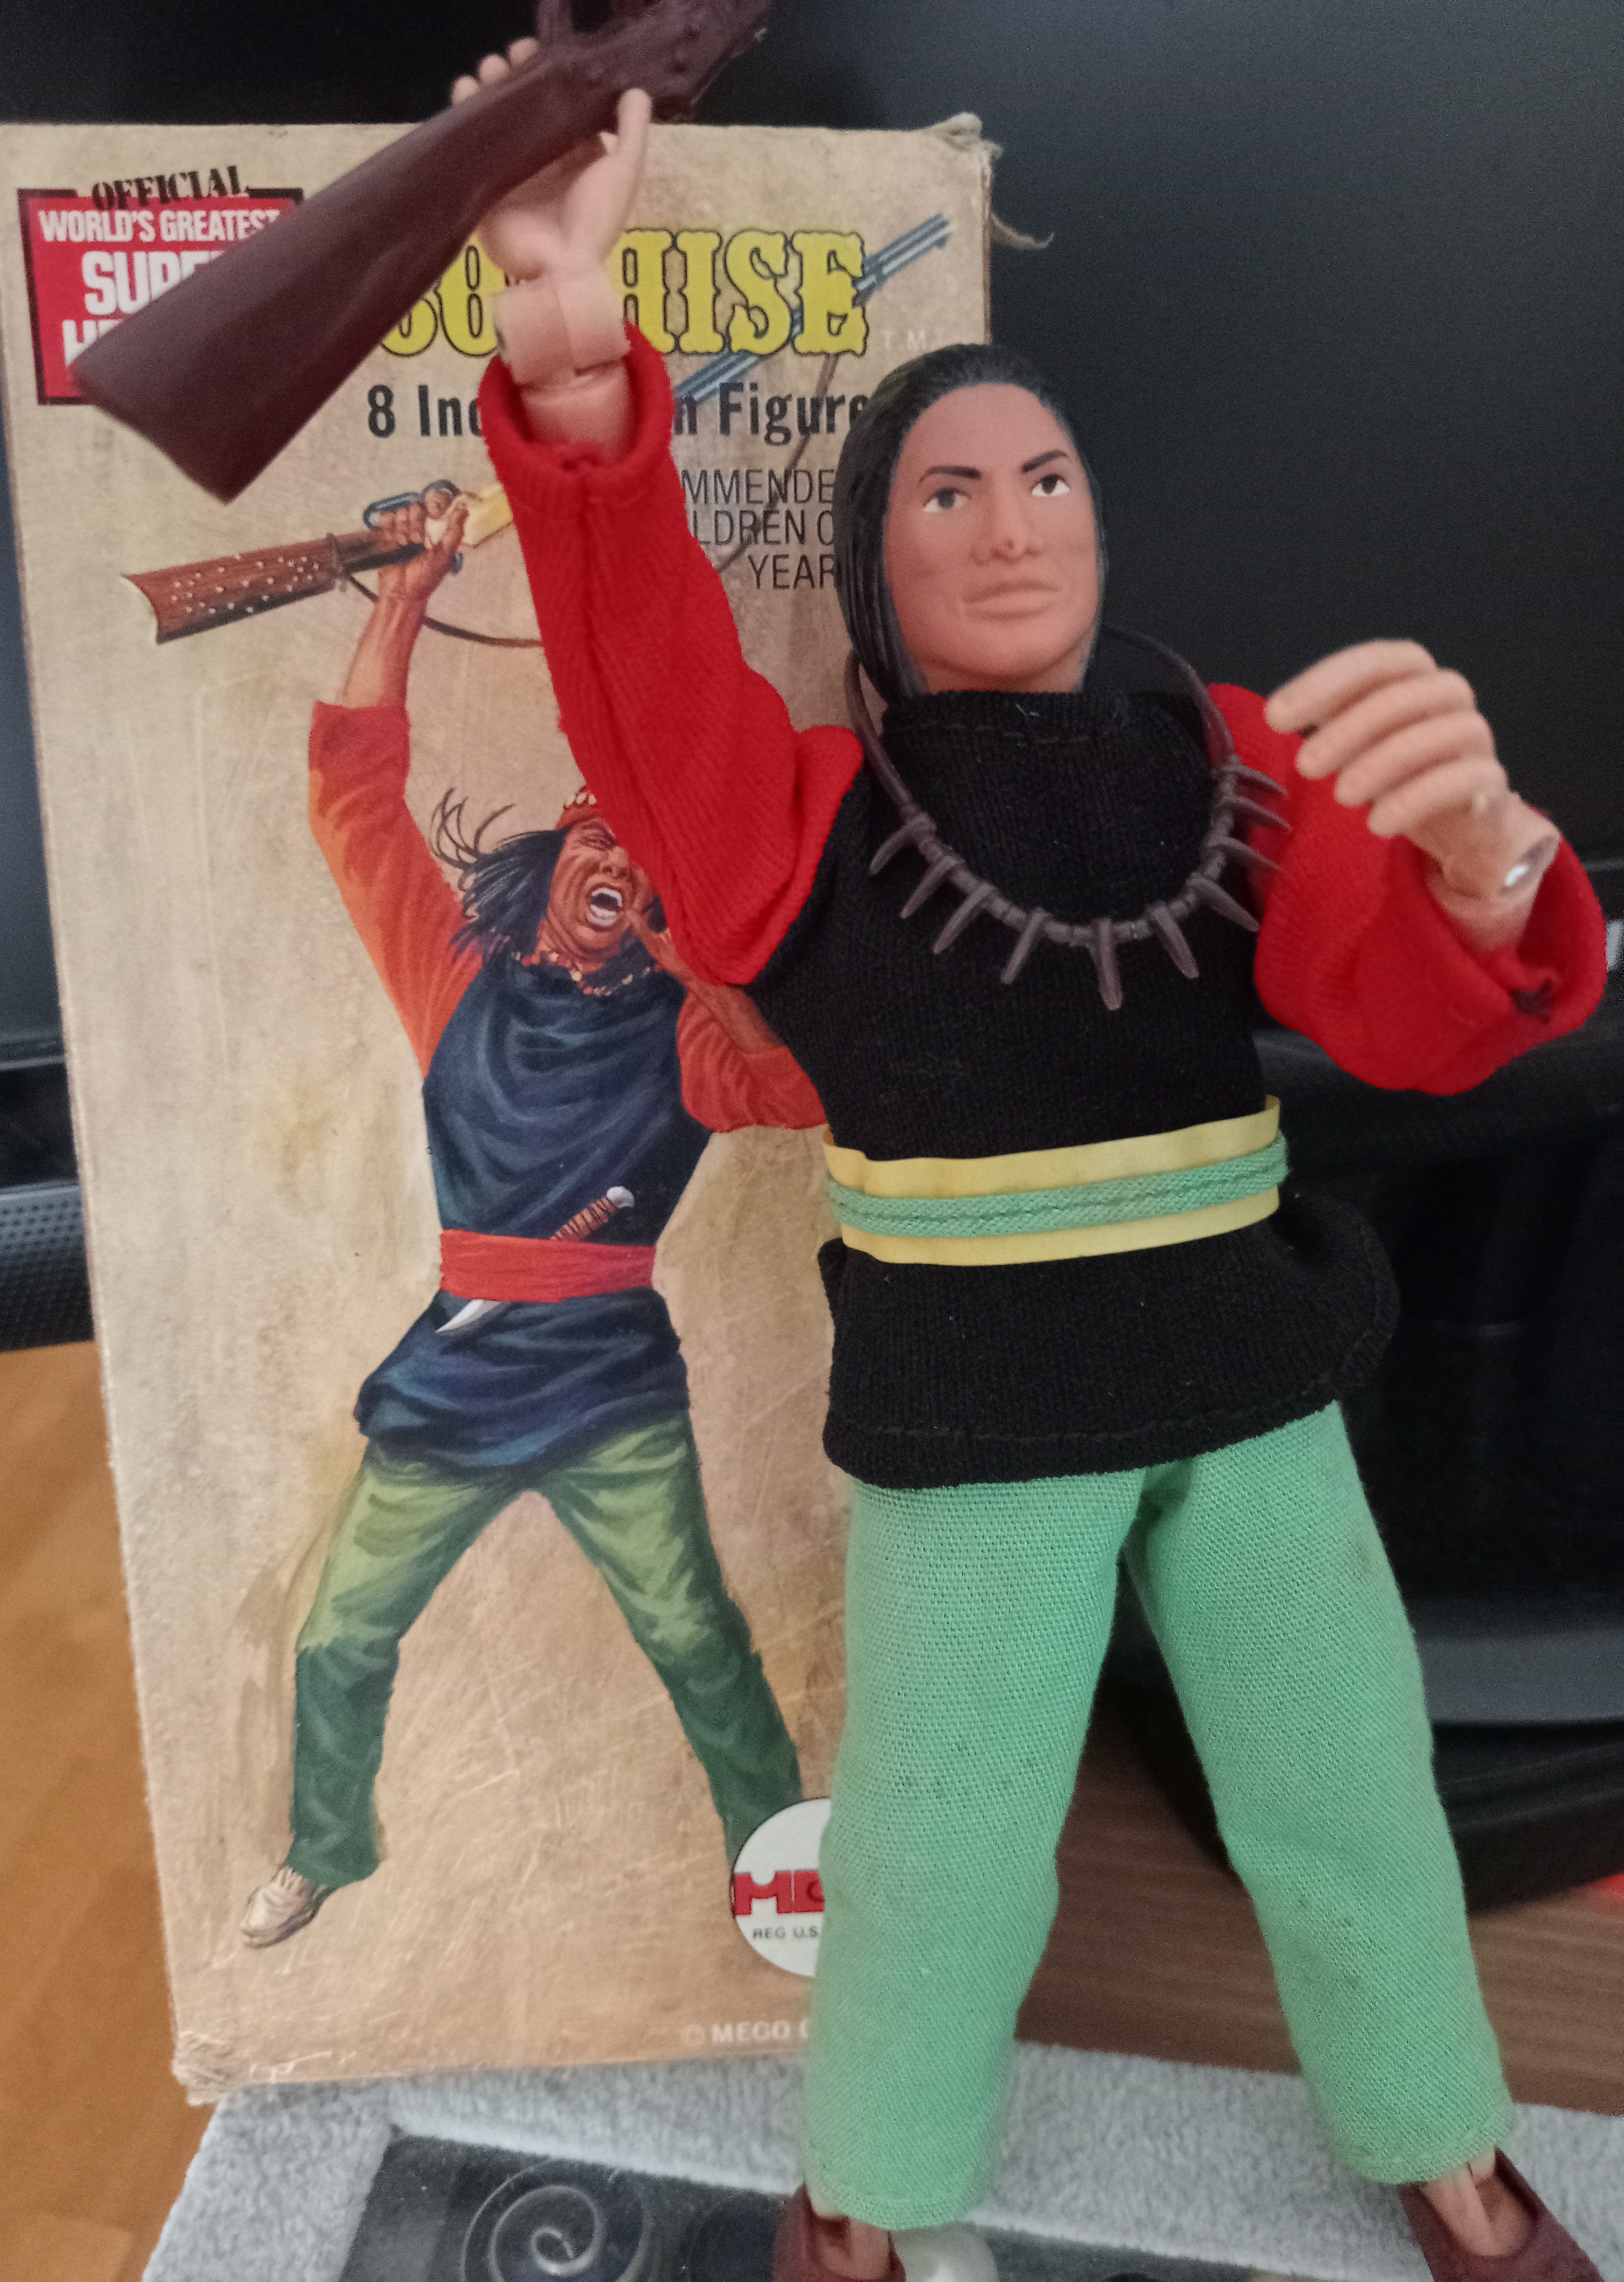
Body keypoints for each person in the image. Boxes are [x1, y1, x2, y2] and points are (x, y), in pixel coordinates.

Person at [457, 45, 1609, 2282]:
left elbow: (1405, 1018)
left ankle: (1448, 2143)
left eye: (1048, 477)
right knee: (946, 1841)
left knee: (1355, 1791)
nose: (1011, 526)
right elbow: (646, 693)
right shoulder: (805, 815)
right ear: (874, 570)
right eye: (951, 493)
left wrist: (1484, 867)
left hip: (1248, 1376)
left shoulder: (1232, 755)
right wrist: (578, 381)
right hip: (981, 1411)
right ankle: (864, 2198)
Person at [241, 499, 819, 1948]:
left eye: (652, 860)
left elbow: (792, 1093)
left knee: (696, 1637)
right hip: (457, 1371)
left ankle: (778, 1864)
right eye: (603, 838)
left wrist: (711, 973)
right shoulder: (455, 980)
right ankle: (326, 1850)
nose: (623, 868)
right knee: (340, 1633)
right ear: (560, 851)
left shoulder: (689, 1031)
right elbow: (354, 796)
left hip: (610, 1380)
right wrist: (406, 595)